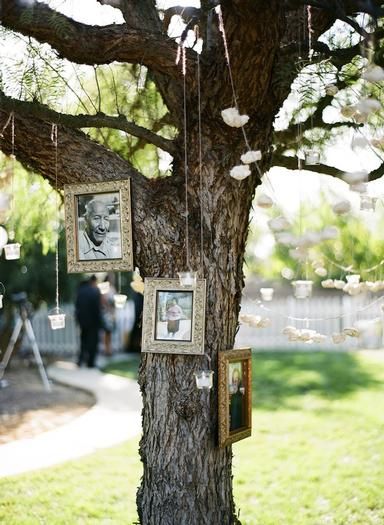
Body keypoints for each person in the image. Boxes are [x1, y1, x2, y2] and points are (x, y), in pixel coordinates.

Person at [75, 275, 103, 368]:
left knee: (83, 341)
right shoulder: (95, 291)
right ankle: (90, 363)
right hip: (93, 322)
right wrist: (100, 321)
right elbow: (97, 309)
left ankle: (80, 361)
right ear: (94, 281)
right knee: (93, 343)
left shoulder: (80, 290)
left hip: (83, 321)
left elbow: (77, 306)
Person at [229, 367, 245, 431]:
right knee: (233, 415)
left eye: (237, 376)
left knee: (238, 415)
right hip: (233, 402)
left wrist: (240, 389)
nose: (236, 378)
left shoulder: (241, 384)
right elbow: (231, 392)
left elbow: (242, 392)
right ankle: (233, 428)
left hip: (239, 402)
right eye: (234, 376)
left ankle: (238, 428)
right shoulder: (232, 385)